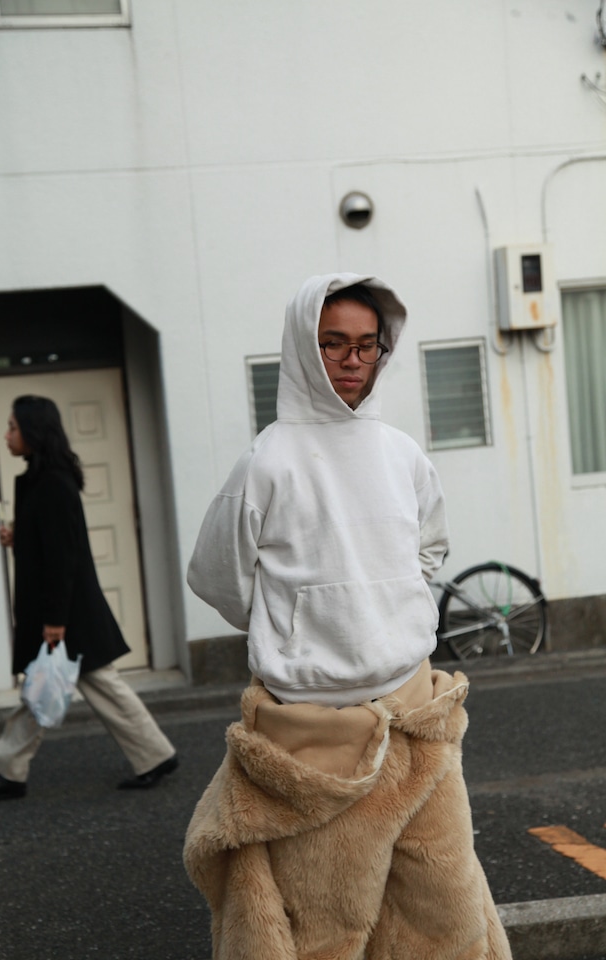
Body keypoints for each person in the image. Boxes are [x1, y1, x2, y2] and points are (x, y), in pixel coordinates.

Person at [183, 273, 512, 959]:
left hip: (416, 709)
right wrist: (291, 625)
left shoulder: (401, 453)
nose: (353, 360)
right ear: (304, 348)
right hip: (314, 731)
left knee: (442, 914)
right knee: (325, 930)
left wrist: (384, 596)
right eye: (333, 343)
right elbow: (215, 574)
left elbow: (430, 547)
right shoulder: (266, 460)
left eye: (367, 345)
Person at [0, 395, 178, 803]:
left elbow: (64, 558)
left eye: (13, 427)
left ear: (33, 432)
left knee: (66, 685)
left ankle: (12, 771)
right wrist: (19, 539)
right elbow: (48, 545)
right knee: (50, 686)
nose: (7, 435)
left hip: (64, 612)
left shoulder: (53, 484)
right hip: (60, 610)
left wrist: (55, 620)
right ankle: (12, 770)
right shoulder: (38, 479)